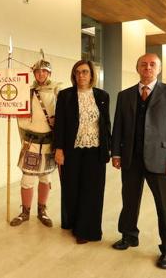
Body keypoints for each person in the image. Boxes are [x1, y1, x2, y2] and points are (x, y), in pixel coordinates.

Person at [111, 53, 166, 270]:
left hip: (162, 160)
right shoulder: (124, 95)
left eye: (152, 64)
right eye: (143, 64)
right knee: (129, 200)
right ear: (137, 68)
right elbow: (118, 126)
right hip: (130, 159)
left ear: (159, 69)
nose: (148, 67)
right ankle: (128, 236)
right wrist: (115, 153)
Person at [54, 60, 110, 244]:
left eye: (85, 72)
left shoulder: (102, 96)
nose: (81, 76)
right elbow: (60, 124)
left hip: (95, 150)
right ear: (73, 75)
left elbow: (105, 124)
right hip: (73, 150)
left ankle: (86, 230)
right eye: (77, 72)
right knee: (72, 189)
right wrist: (59, 149)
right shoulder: (65, 95)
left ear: (92, 75)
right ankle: (73, 223)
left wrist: (109, 149)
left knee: (92, 191)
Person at [10, 58, 60, 228]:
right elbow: (16, 108)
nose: (41, 74)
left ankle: (42, 211)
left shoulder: (56, 91)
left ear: (49, 73)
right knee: (27, 179)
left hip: (48, 142)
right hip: (30, 142)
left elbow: (65, 114)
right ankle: (25, 212)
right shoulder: (26, 91)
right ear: (34, 73)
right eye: (38, 71)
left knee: (45, 178)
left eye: (44, 71)